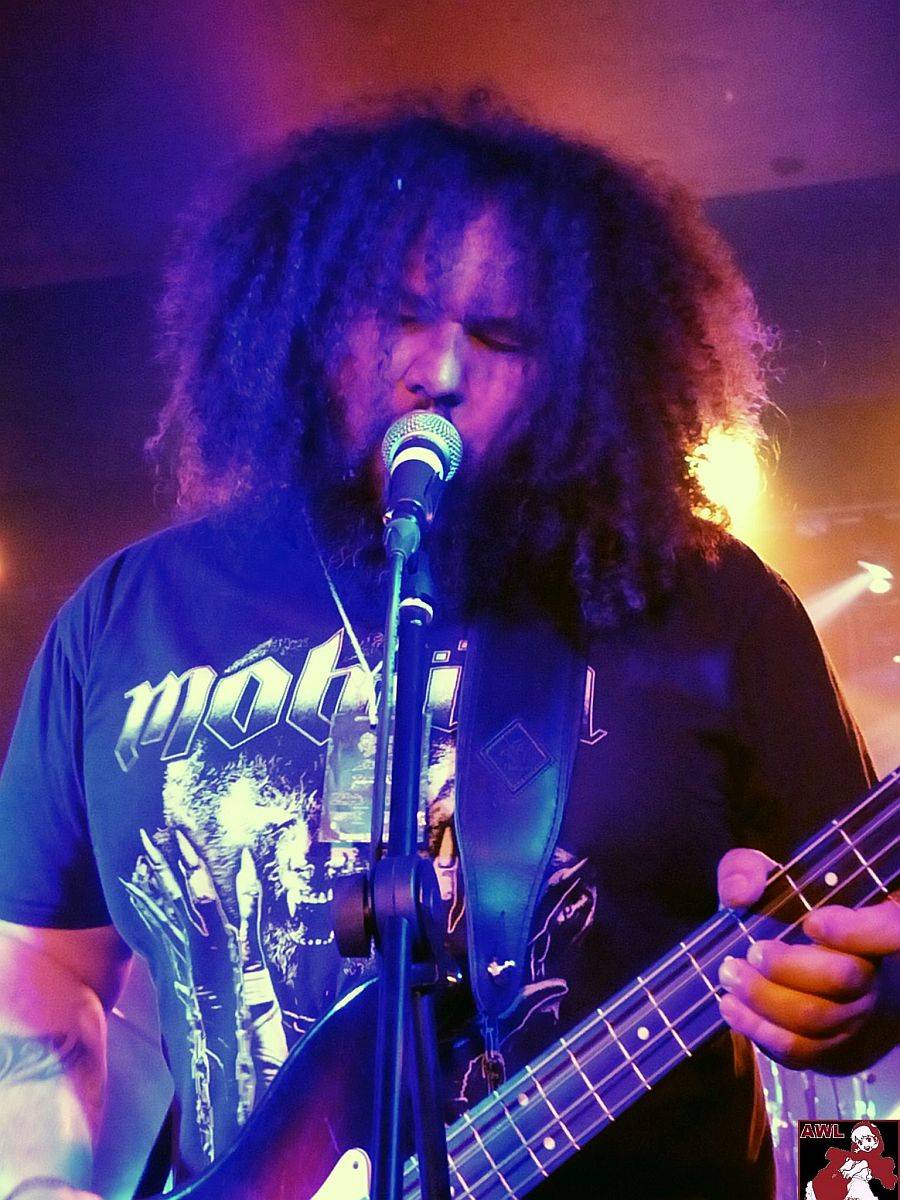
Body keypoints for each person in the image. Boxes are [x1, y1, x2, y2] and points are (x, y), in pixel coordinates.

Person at [0, 93, 897, 1200]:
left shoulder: (712, 604)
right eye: (398, 316)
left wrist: (859, 1013)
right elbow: (37, 971)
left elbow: (867, 940)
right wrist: (37, 1182)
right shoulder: (124, 617)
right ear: (304, 320)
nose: (440, 370)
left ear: (582, 366)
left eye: (502, 335)